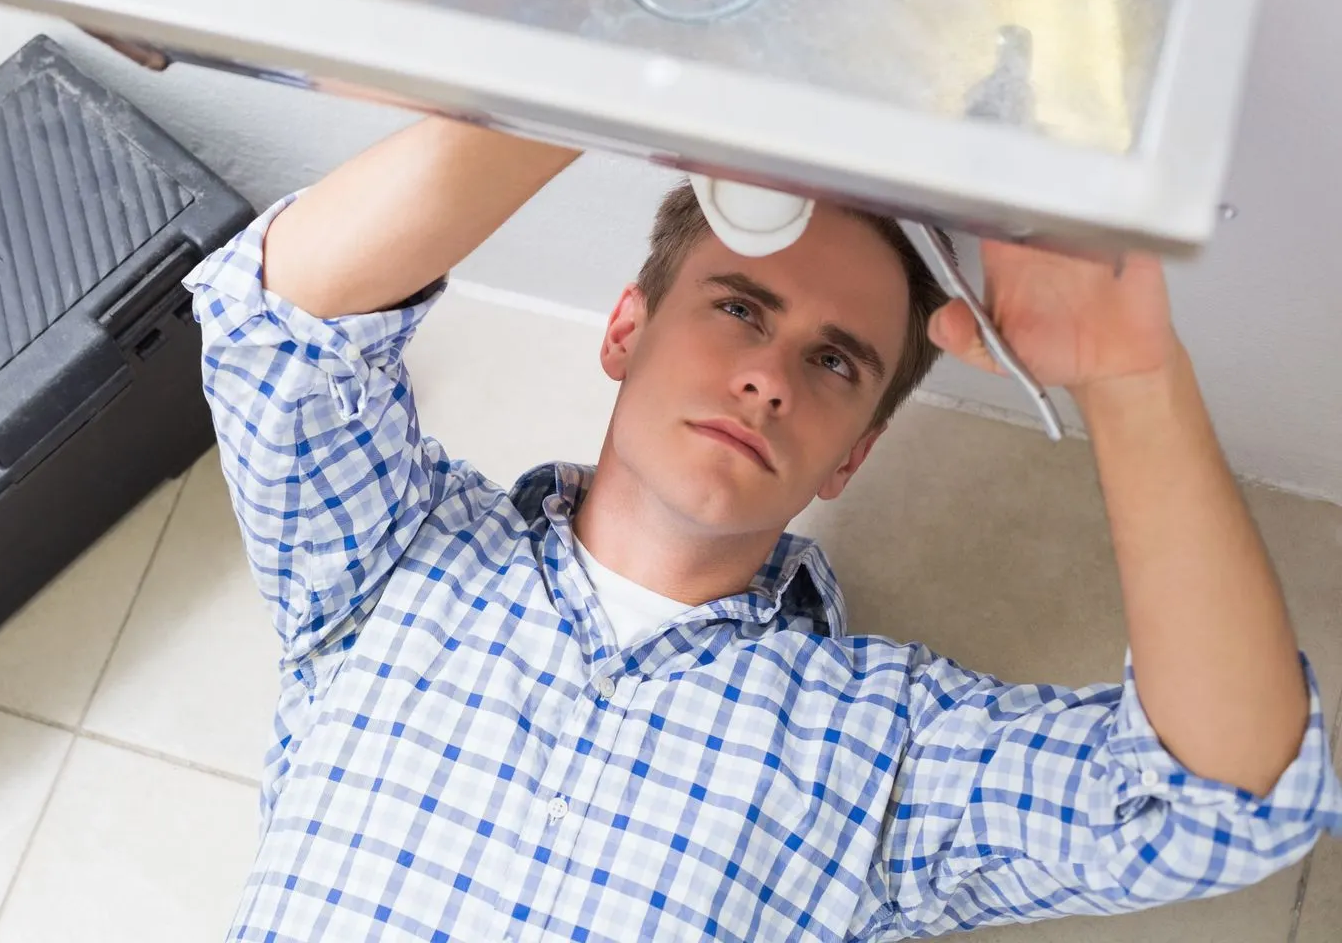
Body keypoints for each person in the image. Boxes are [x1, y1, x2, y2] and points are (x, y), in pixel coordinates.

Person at [181, 114, 1340, 940]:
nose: (770, 377)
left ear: (852, 453)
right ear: (625, 328)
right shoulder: (395, 555)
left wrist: (1132, 378)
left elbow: (1220, 802)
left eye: (833, 361)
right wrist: (621, 74)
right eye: (741, 306)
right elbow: (270, 321)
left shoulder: (883, 744)